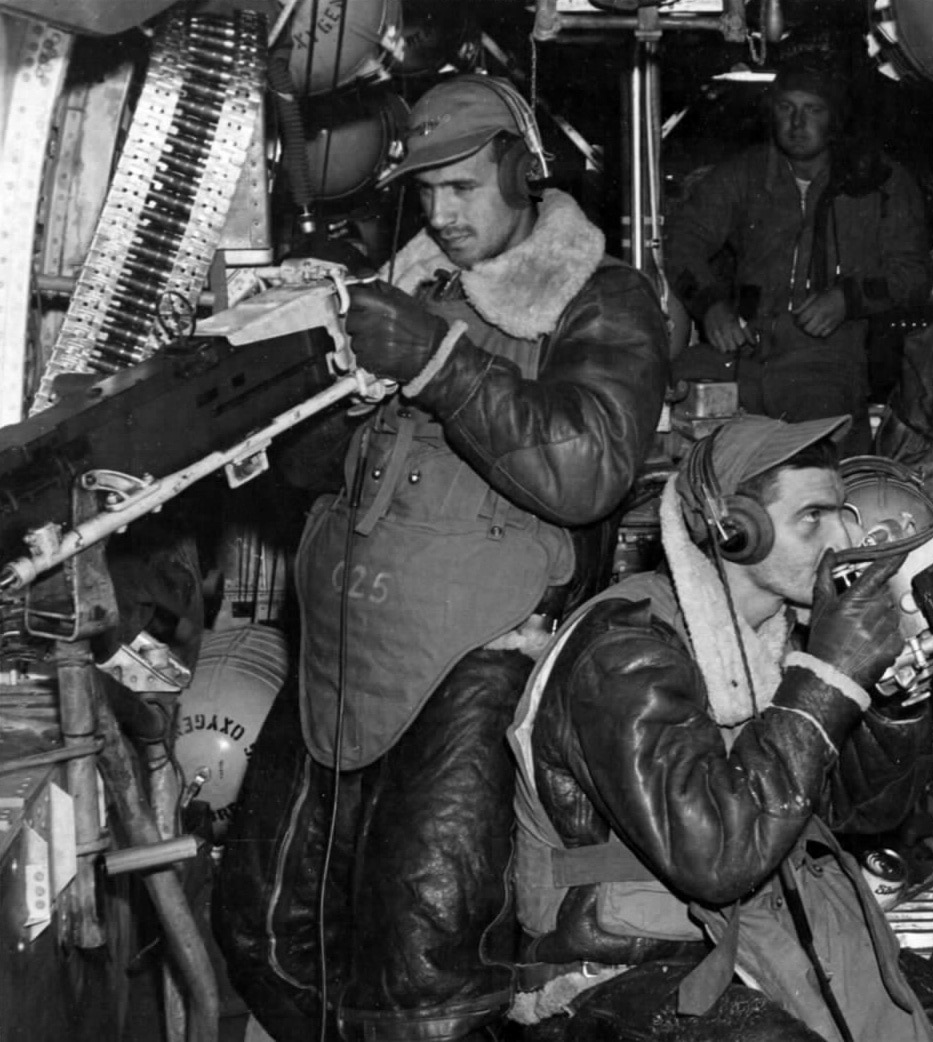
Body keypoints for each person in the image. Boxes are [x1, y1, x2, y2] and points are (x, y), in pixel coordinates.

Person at [215, 74, 669, 1042]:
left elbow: (586, 470)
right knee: (264, 926)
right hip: (342, 643)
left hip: (473, 658)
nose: (442, 213)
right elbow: (319, 468)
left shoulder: (603, 297)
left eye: (462, 186)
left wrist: (436, 361)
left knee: (425, 960)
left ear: (522, 166)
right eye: (424, 193)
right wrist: (291, 382)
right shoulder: (406, 286)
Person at [506, 414, 933, 1042]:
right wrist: (826, 681)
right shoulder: (625, 650)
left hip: (747, 932)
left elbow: (855, 816)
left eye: (842, 513)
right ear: (734, 531)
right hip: (614, 966)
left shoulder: (772, 639)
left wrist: (891, 709)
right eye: (811, 518)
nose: (841, 539)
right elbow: (716, 858)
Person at [665, 59, 932, 456]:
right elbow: (681, 242)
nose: (797, 123)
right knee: (667, 406)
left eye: (813, 110)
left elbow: (913, 273)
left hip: (827, 359)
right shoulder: (745, 174)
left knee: (810, 464)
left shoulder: (879, 181)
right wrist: (710, 306)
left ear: (834, 118)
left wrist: (847, 299)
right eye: (786, 108)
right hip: (743, 351)